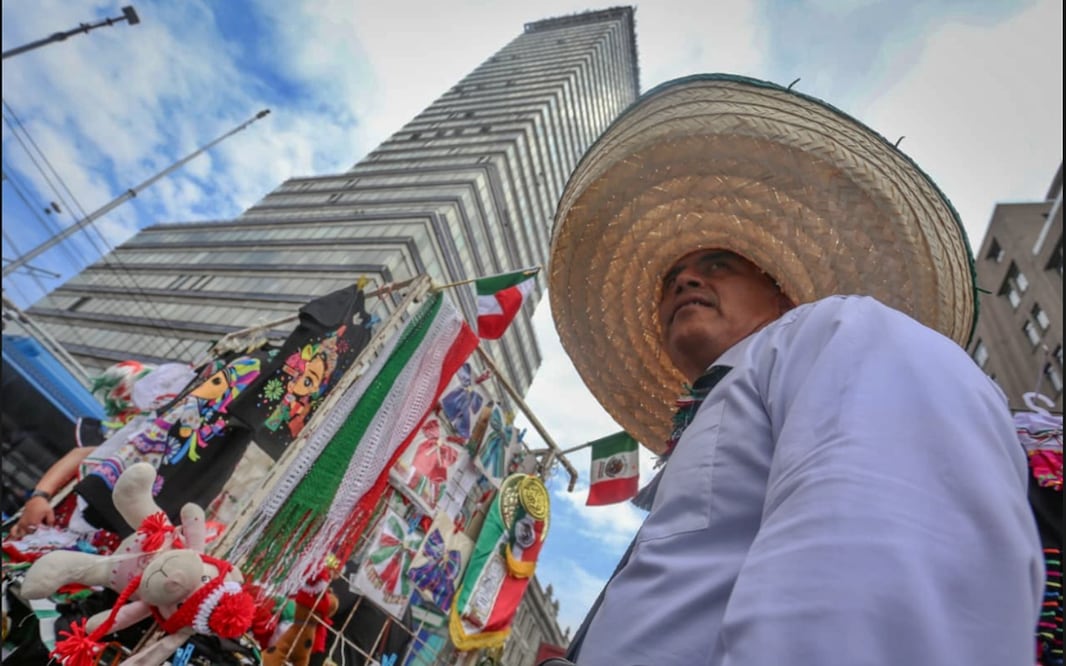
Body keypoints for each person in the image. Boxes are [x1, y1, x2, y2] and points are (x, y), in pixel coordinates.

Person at [544, 74, 1044, 665]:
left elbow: (880, 580)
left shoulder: (839, 331)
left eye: (717, 263)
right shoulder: (736, 400)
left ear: (782, 296)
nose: (683, 280)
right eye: (670, 280)